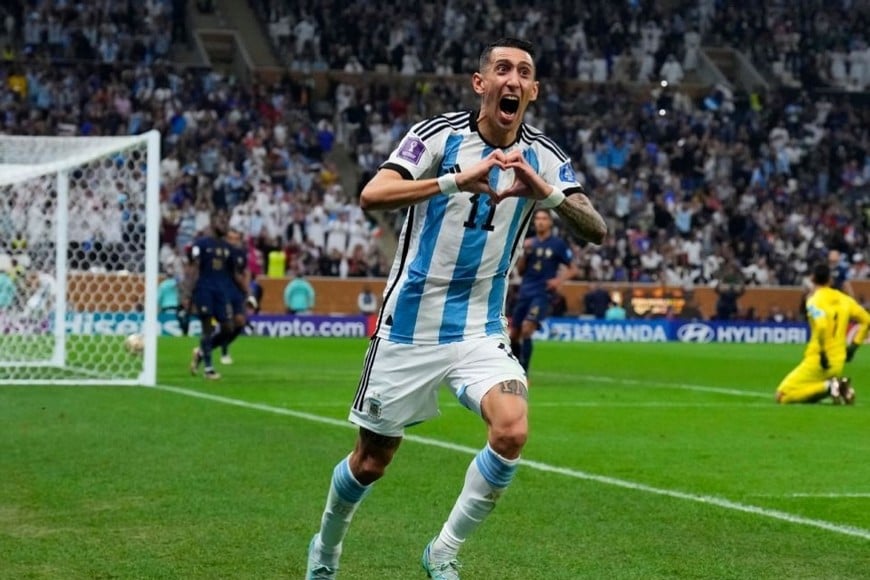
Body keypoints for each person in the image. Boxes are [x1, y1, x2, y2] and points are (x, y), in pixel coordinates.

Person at [305, 37, 607, 580]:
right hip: (409, 326)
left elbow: (596, 229)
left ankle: (442, 551)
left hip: (479, 328)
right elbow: (372, 194)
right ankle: (325, 550)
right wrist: (454, 181)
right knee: (371, 461)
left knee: (511, 430)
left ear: (534, 91)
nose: (513, 79)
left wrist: (546, 192)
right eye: (502, 69)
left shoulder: (544, 156)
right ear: (480, 83)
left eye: (524, 72)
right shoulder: (438, 136)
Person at [775, 263, 869, 405]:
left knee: (782, 395)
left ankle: (830, 386)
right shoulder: (845, 299)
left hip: (819, 360)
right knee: (809, 389)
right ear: (830, 280)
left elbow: (821, 325)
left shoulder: (813, 301)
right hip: (838, 361)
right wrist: (853, 347)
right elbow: (867, 321)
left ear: (812, 279)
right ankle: (837, 387)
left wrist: (823, 353)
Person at [509, 209, 578, 373]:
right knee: (514, 334)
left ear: (550, 222)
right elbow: (521, 271)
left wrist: (558, 280)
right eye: (538, 218)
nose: (540, 222)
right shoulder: (528, 243)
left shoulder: (558, 244)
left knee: (527, 328)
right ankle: (515, 369)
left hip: (542, 293)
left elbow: (573, 269)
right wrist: (524, 253)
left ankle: (524, 372)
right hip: (525, 291)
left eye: (544, 219)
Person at [182, 211, 233, 380]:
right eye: (221, 220)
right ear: (212, 222)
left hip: (221, 291)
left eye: (226, 221)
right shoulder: (201, 244)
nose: (224, 224)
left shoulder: (226, 247)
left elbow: (229, 273)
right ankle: (208, 369)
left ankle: (201, 353)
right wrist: (187, 293)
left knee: (228, 328)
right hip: (204, 289)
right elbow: (193, 268)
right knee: (208, 328)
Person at [215, 228, 256, 365]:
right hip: (224, 291)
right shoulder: (220, 253)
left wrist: (247, 290)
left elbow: (245, 271)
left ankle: (222, 343)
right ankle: (224, 351)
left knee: (240, 321)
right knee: (227, 323)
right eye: (231, 238)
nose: (233, 241)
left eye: (236, 239)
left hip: (237, 292)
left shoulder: (240, 253)